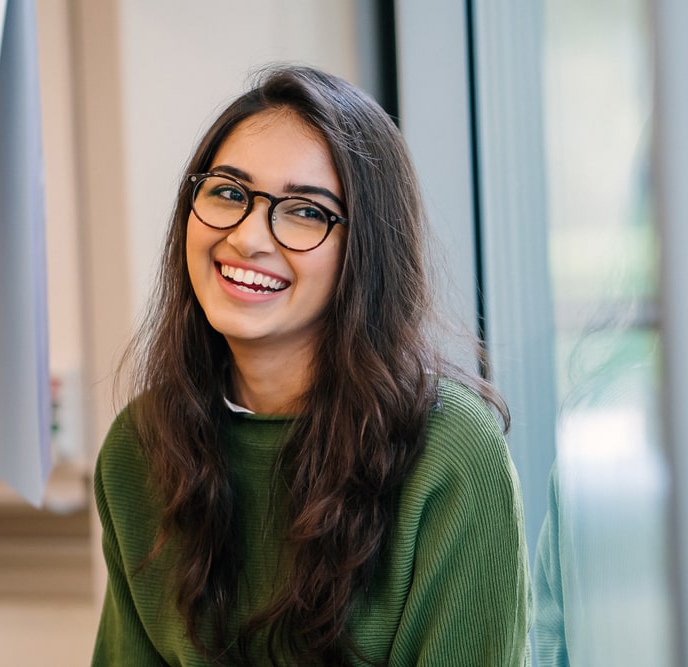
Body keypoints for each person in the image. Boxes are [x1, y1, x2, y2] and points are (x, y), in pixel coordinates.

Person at [92, 64, 531, 666]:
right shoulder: (138, 448)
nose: (249, 237)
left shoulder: (451, 451)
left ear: (365, 252)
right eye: (227, 192)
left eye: (305, 210)